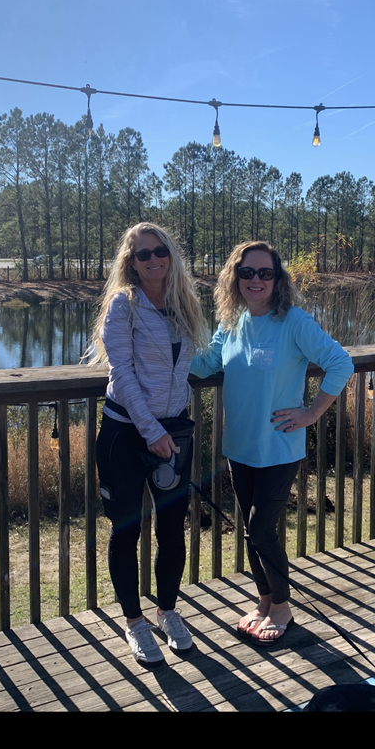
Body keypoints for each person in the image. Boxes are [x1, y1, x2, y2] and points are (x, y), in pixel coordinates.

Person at [189, 241, 354, 645]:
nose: (256, 280)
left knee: (262, 530)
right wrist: (154, 352)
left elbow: (341, 363)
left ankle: (282, 607)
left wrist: (311, 413)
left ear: (278, 280)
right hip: (239, 448)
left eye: (266, 273)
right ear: (235, 277)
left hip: (279, 448)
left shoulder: (294, 322)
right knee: (251, 530)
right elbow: (206, 364)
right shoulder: (230, 324)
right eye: (247, 272)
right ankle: (264, 601)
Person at [87, 223, 210, 665]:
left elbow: (196, 360)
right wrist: (150, 431)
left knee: (172, 529)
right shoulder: (124, 306)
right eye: (143, 254)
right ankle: (135, 622)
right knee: (127, 530)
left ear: (170, 256)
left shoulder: (182, 304)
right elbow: (121, 375)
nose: (154, 259)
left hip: (173, 432)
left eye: (160, 251)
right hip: (125, 434)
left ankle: (168, 611)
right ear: (131, 262)